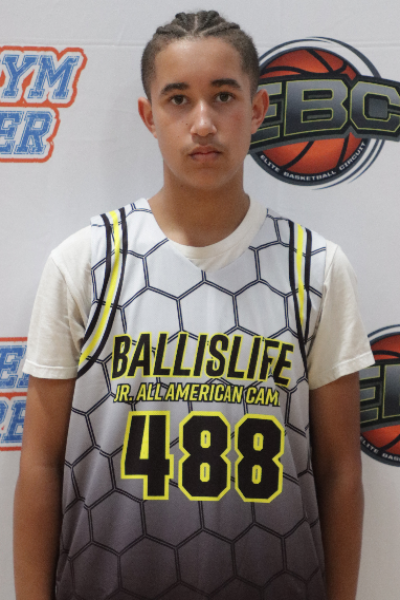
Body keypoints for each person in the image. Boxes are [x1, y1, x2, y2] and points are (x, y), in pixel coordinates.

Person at [14, 10, 374, 600]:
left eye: (223, 96)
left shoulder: (315, 268)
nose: (203, 123)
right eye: (178, 99)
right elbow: (40, 466)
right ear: (149, 116)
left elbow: (340, 472)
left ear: (256, 110)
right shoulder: (86, 262)